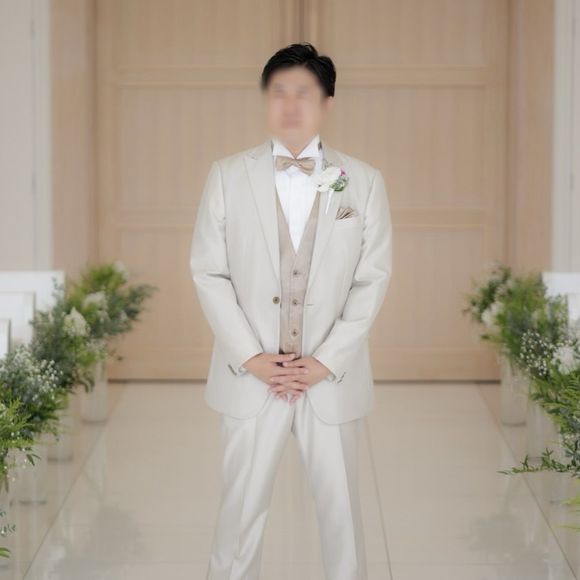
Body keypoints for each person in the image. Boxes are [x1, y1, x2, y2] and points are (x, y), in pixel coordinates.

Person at [189, 41, 392, 580]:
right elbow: (209, 272)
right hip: (251, 375)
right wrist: (251, 357)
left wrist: (325, 361)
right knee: (239, 514)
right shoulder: (227, 175)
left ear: (326, 102)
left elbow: (371, 279)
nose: (289, 104)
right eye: (278, 91)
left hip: (330, 377)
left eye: (303, 92)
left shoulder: (363, 181)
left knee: (341, 514)